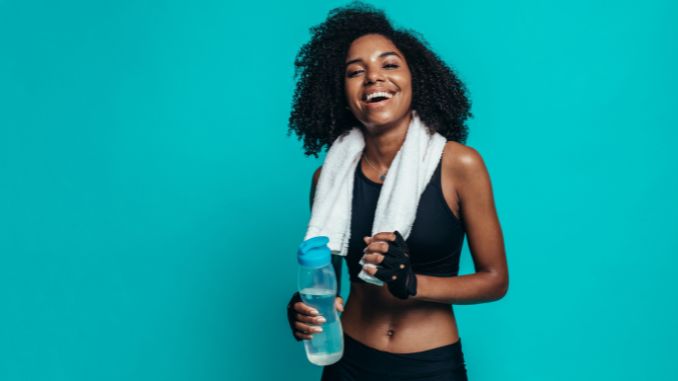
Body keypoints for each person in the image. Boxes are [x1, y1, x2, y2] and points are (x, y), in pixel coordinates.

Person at [286, 2, 508, 380]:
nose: (374, 78)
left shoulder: (460, 165)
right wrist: (302, 308)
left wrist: (411, 283)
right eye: (356, 72)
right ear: (341, 91)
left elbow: (495, 280)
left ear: (415, 78)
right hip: (347, 361)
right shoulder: (328, 178)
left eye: (389, 65)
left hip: (429, 364)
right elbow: (326, 281)